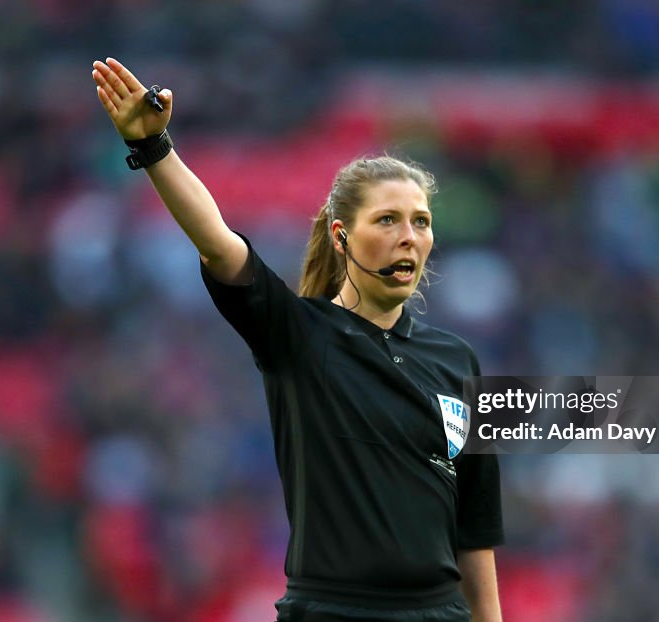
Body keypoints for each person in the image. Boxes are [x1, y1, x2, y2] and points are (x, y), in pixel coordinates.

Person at [92, 57, 504, 622]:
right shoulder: (298, 335)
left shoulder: (458, 360)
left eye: (421, 221)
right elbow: (217, 243)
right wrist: (156, 149)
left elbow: (474, 529)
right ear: (342, 236)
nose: (409, 237)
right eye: (387, 220)